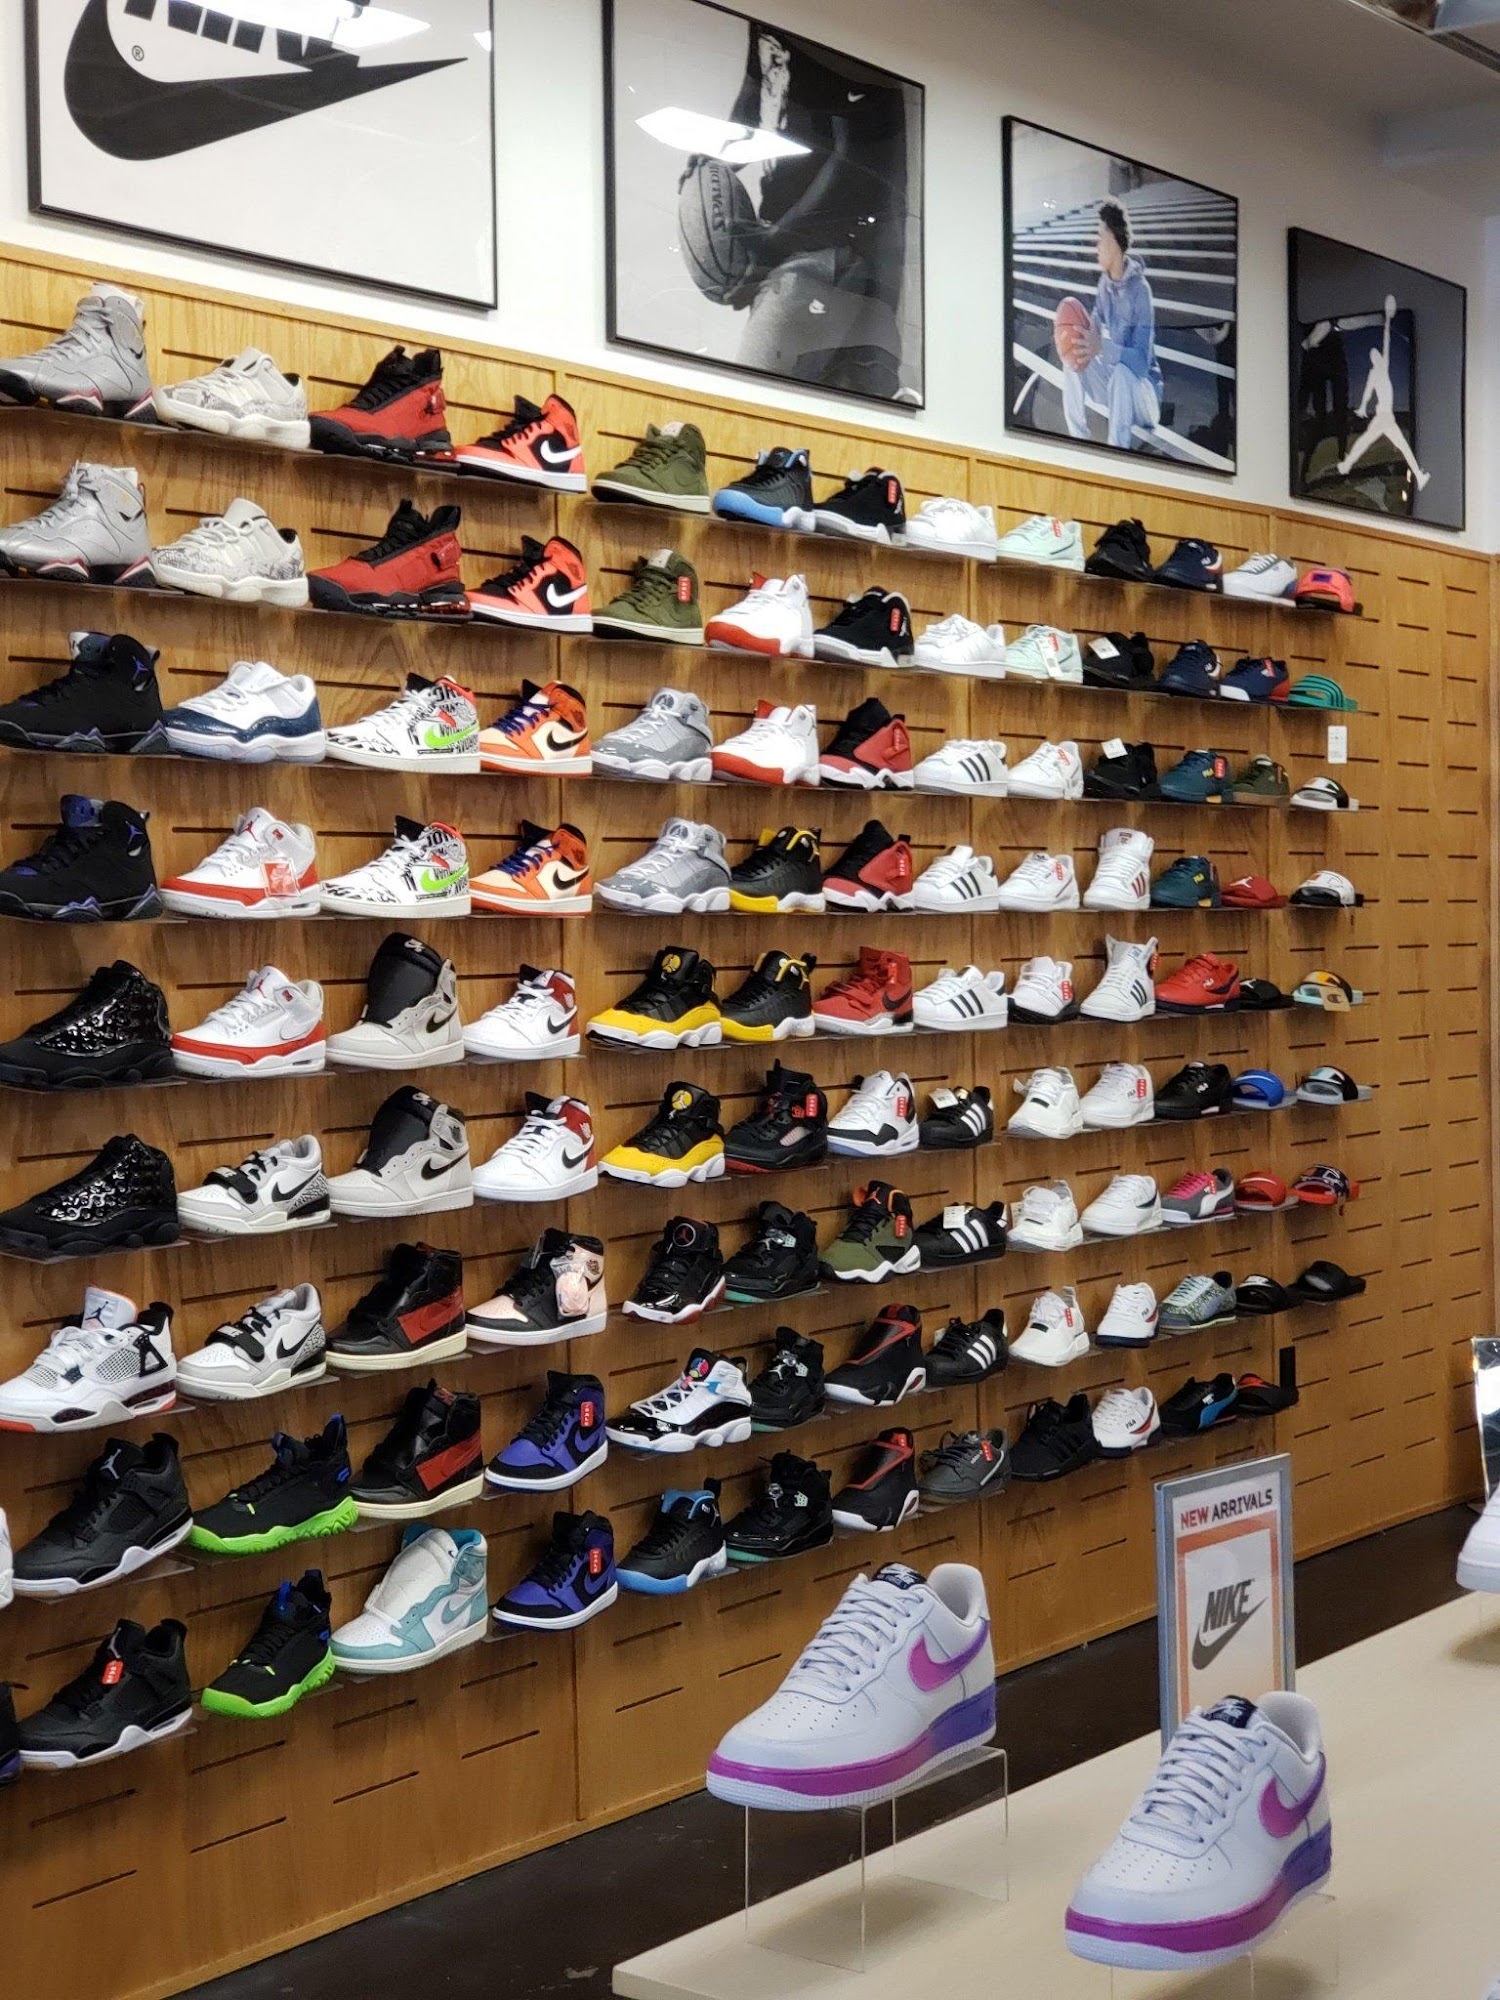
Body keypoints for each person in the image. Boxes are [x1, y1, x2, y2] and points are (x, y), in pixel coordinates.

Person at [701, 23, 911, 400]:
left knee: (756, 403)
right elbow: (754, 89)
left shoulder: (846, 37)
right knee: (778, 406)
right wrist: (711, 158)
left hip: (839, 257)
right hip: (794, 249)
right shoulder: (778, 21)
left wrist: (772, 243)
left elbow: (848, 164)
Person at [1061, 200, 1164, 450]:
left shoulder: (1141, 291)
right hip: (1117, 390)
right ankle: (1077, 441)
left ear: (1115, 242)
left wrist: (1103, 347)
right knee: (1073, 359)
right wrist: (1079, 337)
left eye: (1100, 239)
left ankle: (1117, 450)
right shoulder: (1104, 284)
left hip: (1144, 396)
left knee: (1121, 372)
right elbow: (1094, 326)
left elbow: (1140, 364)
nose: (1096, 247)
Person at [1337, 294, 1430, 491]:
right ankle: (1347, 465)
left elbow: (1386, 341)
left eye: (1377, 354)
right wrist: (1362, 407)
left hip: (1386, 416)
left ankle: (1347, 465)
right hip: (1383, 416)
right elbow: (1367, 393)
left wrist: (1387, 321)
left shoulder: (1379, 369)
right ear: (1374, 359)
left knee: (1393, 444)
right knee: (1382, 443)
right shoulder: (1377, 371)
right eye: (1375, 355)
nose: (1378, 355)